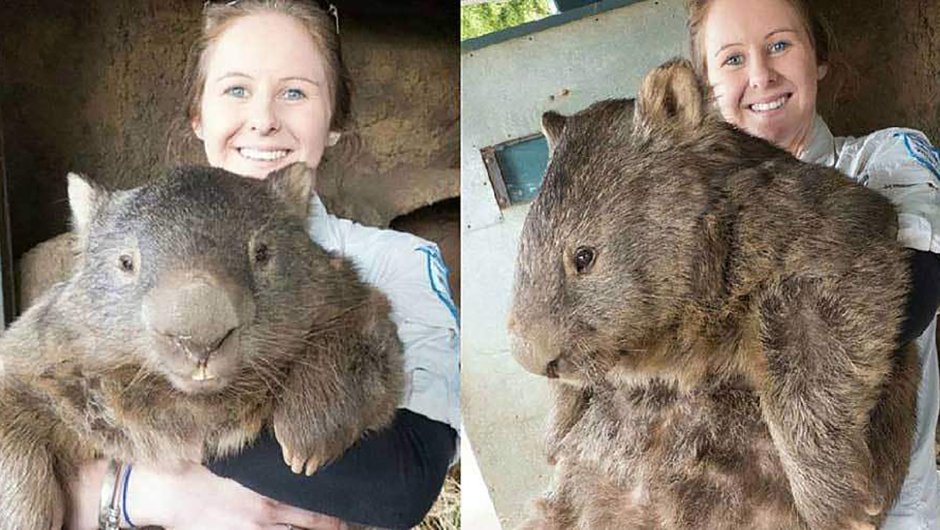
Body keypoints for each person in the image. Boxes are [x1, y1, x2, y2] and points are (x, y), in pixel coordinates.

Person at [63, 2, 460, 529]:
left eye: (294, 92)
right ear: (197, 115)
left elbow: (400, 483)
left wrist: (147, 443)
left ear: (334, 121)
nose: (264, 119)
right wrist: (133, 492)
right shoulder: (123, 251)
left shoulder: (395, 260)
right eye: (236, 89)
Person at [687, 0, 940, 527]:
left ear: (818, 57)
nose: (760, 75)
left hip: (891, 511)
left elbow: (912, 296)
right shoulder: (694, 211)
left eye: (780, 45)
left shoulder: (888, 156)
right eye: (732, 59)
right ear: (704, 87)